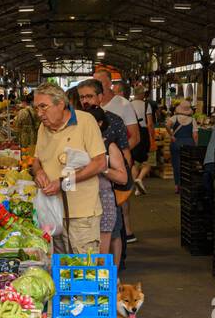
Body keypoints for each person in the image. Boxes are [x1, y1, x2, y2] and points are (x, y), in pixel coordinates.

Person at [31, 82, 105, 254]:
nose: (39, 113)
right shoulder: (43, 127)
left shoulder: (85, 121)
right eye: (36, 108)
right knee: (59, 267)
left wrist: (63, 182)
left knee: (82, 270)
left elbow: (100, 162)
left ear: (61, 103)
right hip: (53, 213)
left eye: (44, 107)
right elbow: (36, 160)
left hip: (82, 215)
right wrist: (39, 171)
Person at [77, 79, 130, 264]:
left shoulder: (114, 123)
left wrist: (122, 188)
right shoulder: (76, 122)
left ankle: (112, 274)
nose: (85, 100)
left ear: (100, 97)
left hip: (107, 195)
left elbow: (125, 159)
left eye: (89, 96)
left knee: (111, 235)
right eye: (82, 96)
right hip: (82, 197)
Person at [96, 69, 139, 241]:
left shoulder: (122, 105)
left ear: (109, 83)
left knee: (121, 203)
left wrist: (117, 157)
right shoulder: (92, 107)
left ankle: (127, 233)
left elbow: (135, 136)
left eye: (100, 81)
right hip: (98, 167)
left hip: (117, 163)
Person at [168, 98, 196, 190]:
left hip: (177, 142)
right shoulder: (193, 120)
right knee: (188, 165)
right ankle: (186, 185)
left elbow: (167, 125)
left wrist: (171, 135)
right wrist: (196, 145)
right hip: (189, 143)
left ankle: (177, 185)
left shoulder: (174, 118)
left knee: (176, 164)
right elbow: (195, 135)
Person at [130, 85, 154, 193]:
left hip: (132, 134)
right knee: (148, 162)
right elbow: (149, 124)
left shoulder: (129, 105)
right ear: (141, 94)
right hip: (143, 135)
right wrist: (152, 137)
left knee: (134, 162)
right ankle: (139, 179)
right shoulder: (146, 105)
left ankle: (136, 188)